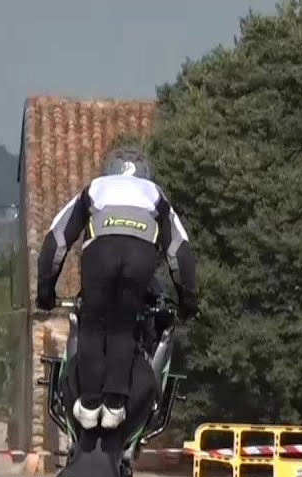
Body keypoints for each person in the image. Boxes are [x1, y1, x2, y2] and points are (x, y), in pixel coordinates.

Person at [35, 147, 198, 430]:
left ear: (109, 171)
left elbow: (56, 241)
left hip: (100, 252)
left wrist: (45, 292)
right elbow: (180, 251)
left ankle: (89, 406)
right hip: (141, 255)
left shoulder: (95, 189)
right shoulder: (155, 195)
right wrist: (188, 301)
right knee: (123, 324)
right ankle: (114, 406)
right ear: (146, 175)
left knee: (93, 322)